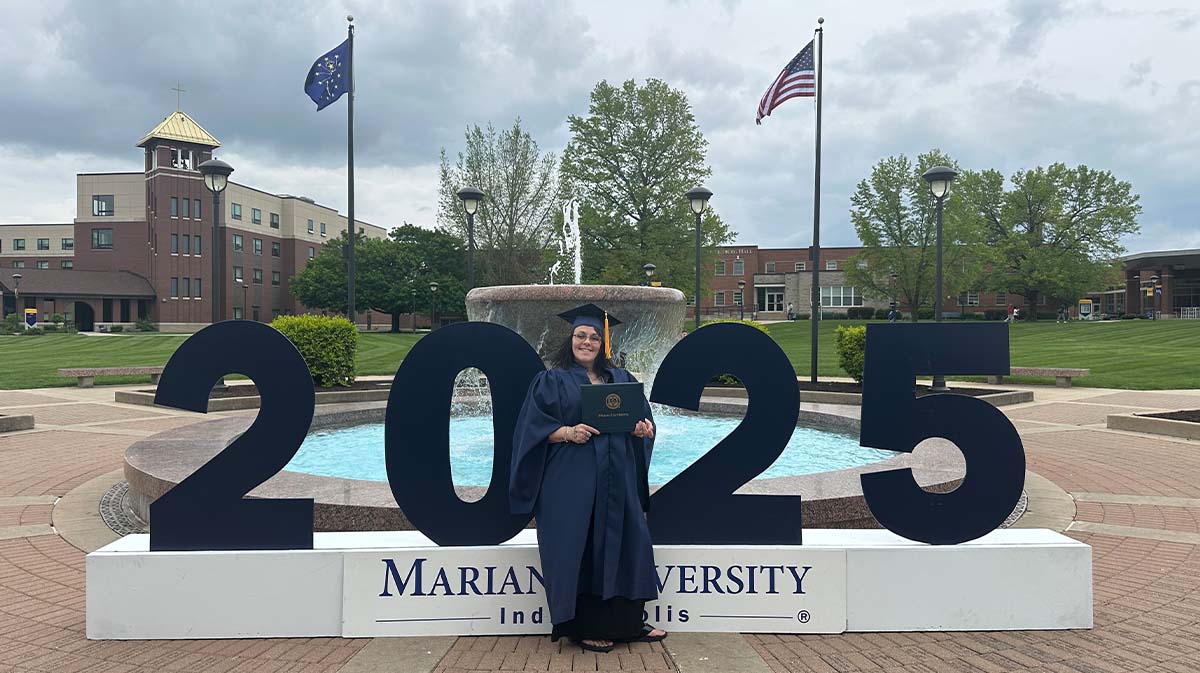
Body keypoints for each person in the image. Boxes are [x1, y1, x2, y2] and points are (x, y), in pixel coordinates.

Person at [511, 303, 665, 653]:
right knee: (579, 547)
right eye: (581, 335)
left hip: (618, 479)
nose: (587, 341)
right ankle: (583, 627)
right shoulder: (551, 380)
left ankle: (627, 624)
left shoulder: (622, 380)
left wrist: (644, 430)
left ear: (603, 343)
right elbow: (530, 431)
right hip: (571, 482)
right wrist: (567, 431)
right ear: (571, 339)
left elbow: (643, 424)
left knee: (627, 542)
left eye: (595, 337)